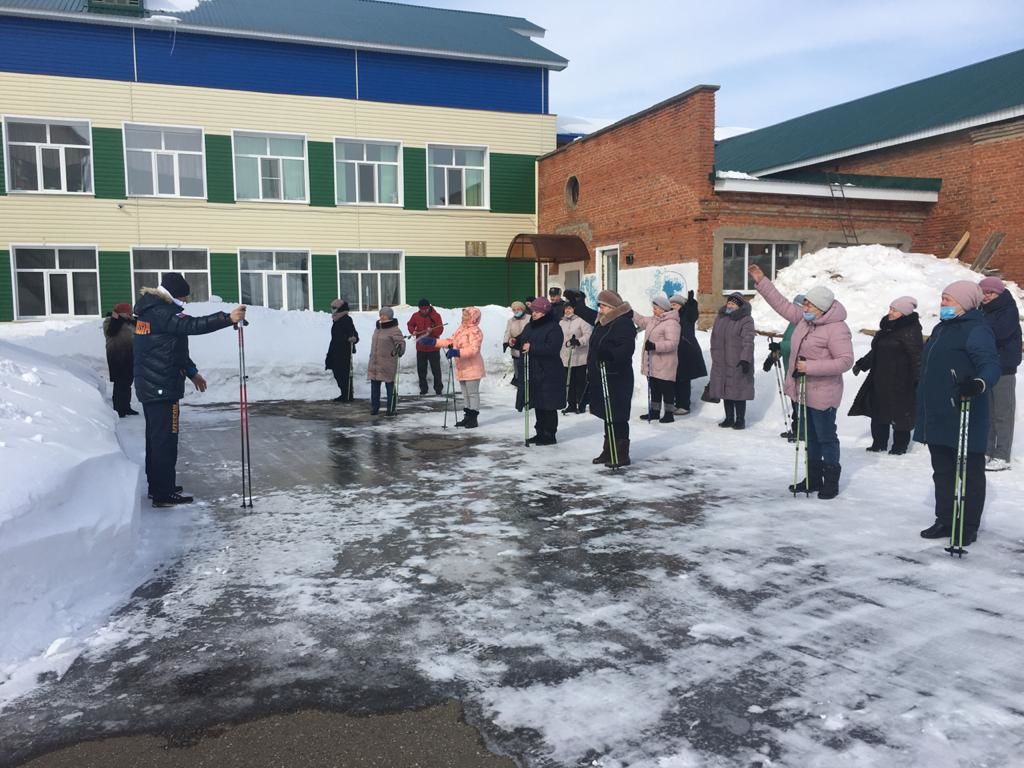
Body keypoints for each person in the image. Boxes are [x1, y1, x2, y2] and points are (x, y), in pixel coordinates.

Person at [134, 272, 246, 508]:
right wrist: (227, 318)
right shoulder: (162, 312)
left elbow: (172, 349)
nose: (185, 301)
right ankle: (163, 493)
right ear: (175, 294)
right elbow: (192, 325)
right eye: (183, 296)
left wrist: (192, 372)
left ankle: (160, 485)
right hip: (162, 387)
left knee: (157, 439)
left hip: (155, 385)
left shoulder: (152, 310)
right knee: (165, 440)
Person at [750, 265, 853, 500]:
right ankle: (813, 478)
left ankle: (831, 482)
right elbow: (782, 304)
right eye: (804, 303)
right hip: (803, 391)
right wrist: (762, 281)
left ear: (822, 308)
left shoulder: (837, 329)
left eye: (809, 305)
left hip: (824, 392)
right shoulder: (805, 321)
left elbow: (845, 361)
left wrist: (811, 367)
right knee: (810, 437)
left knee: (826, 437)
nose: (804, 308)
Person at [916, 281, 1000, 544]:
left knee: (969, 474)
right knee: (942, 471)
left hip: (965, 412)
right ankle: (945, 519)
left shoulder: (976, 330)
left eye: (948, 300)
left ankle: (967, 525)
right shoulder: (941, 328)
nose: (943, 304)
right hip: (938, 413)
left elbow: (990, 365)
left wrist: (979, 382)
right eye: (942, 299)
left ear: (964, 303)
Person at [849, 296, 923, 455]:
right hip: (880, 378)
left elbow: (917, 356)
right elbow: (877, 351)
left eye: (894, 310)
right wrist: (862, 364)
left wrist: (918, 379)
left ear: (904, 313)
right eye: (890, 308)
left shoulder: (911, 330)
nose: (890, 312)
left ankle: (899, 446)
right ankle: (879, 443)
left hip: (901, 381)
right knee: (878, 411)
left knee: (900, 414)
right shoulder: (886, 329)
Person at [587, 290, 635, 467]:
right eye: (600, 305)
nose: (600, 309)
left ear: (613, 307)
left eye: (604, 306)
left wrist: (608, 354)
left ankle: (621, 454)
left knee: (618, 416)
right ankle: (608, 451)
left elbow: (625, 349)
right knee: (608, 416)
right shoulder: (603, 323)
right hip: (602, 375)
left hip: (617, 377)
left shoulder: (623, 323)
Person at [979, 277, 1021, 471]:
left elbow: (999, 333)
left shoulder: (1007, 309)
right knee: (986, 411)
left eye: (990, 293)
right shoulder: (982, 310)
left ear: (999, 293)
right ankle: (986, 450)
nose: (986, 296)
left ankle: (1002, 455)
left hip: (1004, 367)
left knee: (1002, 413)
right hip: (986, 366)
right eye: (983, 292)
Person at [519, 297, 566, 444]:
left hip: (549, 371)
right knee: (538, 403)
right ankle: (539, 432)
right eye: (533, 311)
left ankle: (549, 434)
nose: (534, 314)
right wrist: (515, 342)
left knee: (548, 404)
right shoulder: (530, 326)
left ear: (545, 312)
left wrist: (532, 348)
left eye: (538, 311)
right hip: (533, 370)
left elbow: (553, 348)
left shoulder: (554, 327)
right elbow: (524, 341)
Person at [431, 307, 485, 428]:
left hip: (473, 367)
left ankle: (473, 418)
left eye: (466, 315)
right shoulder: (461, 329)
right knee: (465, 394)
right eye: (463, 315)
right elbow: (451, 341)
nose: (463, 317)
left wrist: (457, 353)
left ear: (473, 317)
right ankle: (467, 417)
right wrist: (434, 342)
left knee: (472, 394)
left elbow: (473, 350)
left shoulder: (475, 331)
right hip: (462, 367)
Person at [708, 292, 755, 430]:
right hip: (721, 361)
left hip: (738, 361)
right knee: (725, 390)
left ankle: (740, 419)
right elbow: (714, 338)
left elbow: (748, 341)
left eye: (733, 304)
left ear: (739, 306)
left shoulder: (746, 320)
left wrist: (745, 359)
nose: (730, 305)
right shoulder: (721, 318)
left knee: (738, 391)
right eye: (729, 303)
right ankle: (729, 418)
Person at [634, 291, 681, 423]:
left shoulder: (672, 323)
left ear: (663, 309)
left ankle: (669, 414)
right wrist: (629, 312)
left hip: (665, 363)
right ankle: (654, 412)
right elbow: (642, 321)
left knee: (666, 389)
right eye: (653, 308)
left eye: (655, 308)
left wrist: (655, 346)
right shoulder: (654, 320)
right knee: (654, 388)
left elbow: (672, 343)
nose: (653, 311)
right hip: (653, 363)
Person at [762, 294, 804, 441]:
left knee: (800, 403)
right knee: (795, 402)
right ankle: (796, 429)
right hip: (790, 369)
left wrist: (779, 346)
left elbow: (796, 346)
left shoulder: (803, 324)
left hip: (800, 370)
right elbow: (787, 341)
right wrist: (772, 358)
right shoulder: (793, 323)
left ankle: (802, 432)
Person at [669, 291, 706, 415]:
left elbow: (693, 313)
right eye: (671, 304)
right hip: (673, 351)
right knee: (674, 379)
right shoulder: (670, 316)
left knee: (684, 379)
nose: (672, 306)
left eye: (675, 304)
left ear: (681, 305)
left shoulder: (686, 315)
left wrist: (691, 302)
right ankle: (675, 403)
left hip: (686, 352)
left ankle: (684, 405)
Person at [367, 307, 405, 416]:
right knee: (374, 386)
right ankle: (374, 408)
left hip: (388, 362)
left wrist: (400, 348)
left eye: (384, 315)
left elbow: (401, 342)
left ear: (390, 316)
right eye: (381, 314)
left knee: (389, 386)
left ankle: (391, 408)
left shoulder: (394, 329)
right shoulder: (377, 328)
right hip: (375, 362)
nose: (382, 317)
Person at [104, 302, 138, 417]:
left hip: (129, 356)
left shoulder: (130, 322)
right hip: (116, 357)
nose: (130, 315)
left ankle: (126, 407)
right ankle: (118, 409)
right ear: (121, 313)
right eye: (128, 313)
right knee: (119, 383)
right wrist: (116, 318)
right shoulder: (110, 321)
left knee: (127, 382)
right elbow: (111, 331)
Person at [559, 300, 592, 414]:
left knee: (580, 382)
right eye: (566, 308)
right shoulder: (561, 322)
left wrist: (579, 341)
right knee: (569, 381)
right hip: (565, 356)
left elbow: (588, 335)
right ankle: (571, 404)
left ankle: (581, 404)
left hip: (579, 356)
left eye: (570, 308)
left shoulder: (581, 320)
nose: (567, 311)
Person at [407, 298, 444, 396]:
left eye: (426, 309)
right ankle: (423, 389)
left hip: (433, 347)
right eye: (422, 309)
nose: (424, 311)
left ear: (429, 307)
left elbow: (440, 329)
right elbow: (410, 324)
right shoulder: (415, 316)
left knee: (436, 369)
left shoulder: (436, 316)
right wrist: (413, 331)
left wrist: (432, 331)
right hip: (421, 348)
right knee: (421, 370)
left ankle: (438, 389)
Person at [325, 299, 358, 402]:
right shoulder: (336, 319)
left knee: (343, 373)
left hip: (344, 351)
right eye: (332, 308)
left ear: (340, 309)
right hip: (335, 349)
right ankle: (344, 393)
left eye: (334, 308)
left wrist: (352, 339)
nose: (332, 310)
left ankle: (347, 395)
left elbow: (353, 334)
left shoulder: (346, 319)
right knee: (337, 372)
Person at [503, 300, 530, 411]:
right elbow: (507, 333)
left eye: (518, 309)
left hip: (528, 350)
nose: (516, 311)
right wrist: (508, 342)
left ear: (522, 309)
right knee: (519, 376)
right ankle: (521, 399)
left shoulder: (529, 318)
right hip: (516, 351)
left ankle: (529, 398)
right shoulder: (511, 321)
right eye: (514, 310)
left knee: (528, 375)